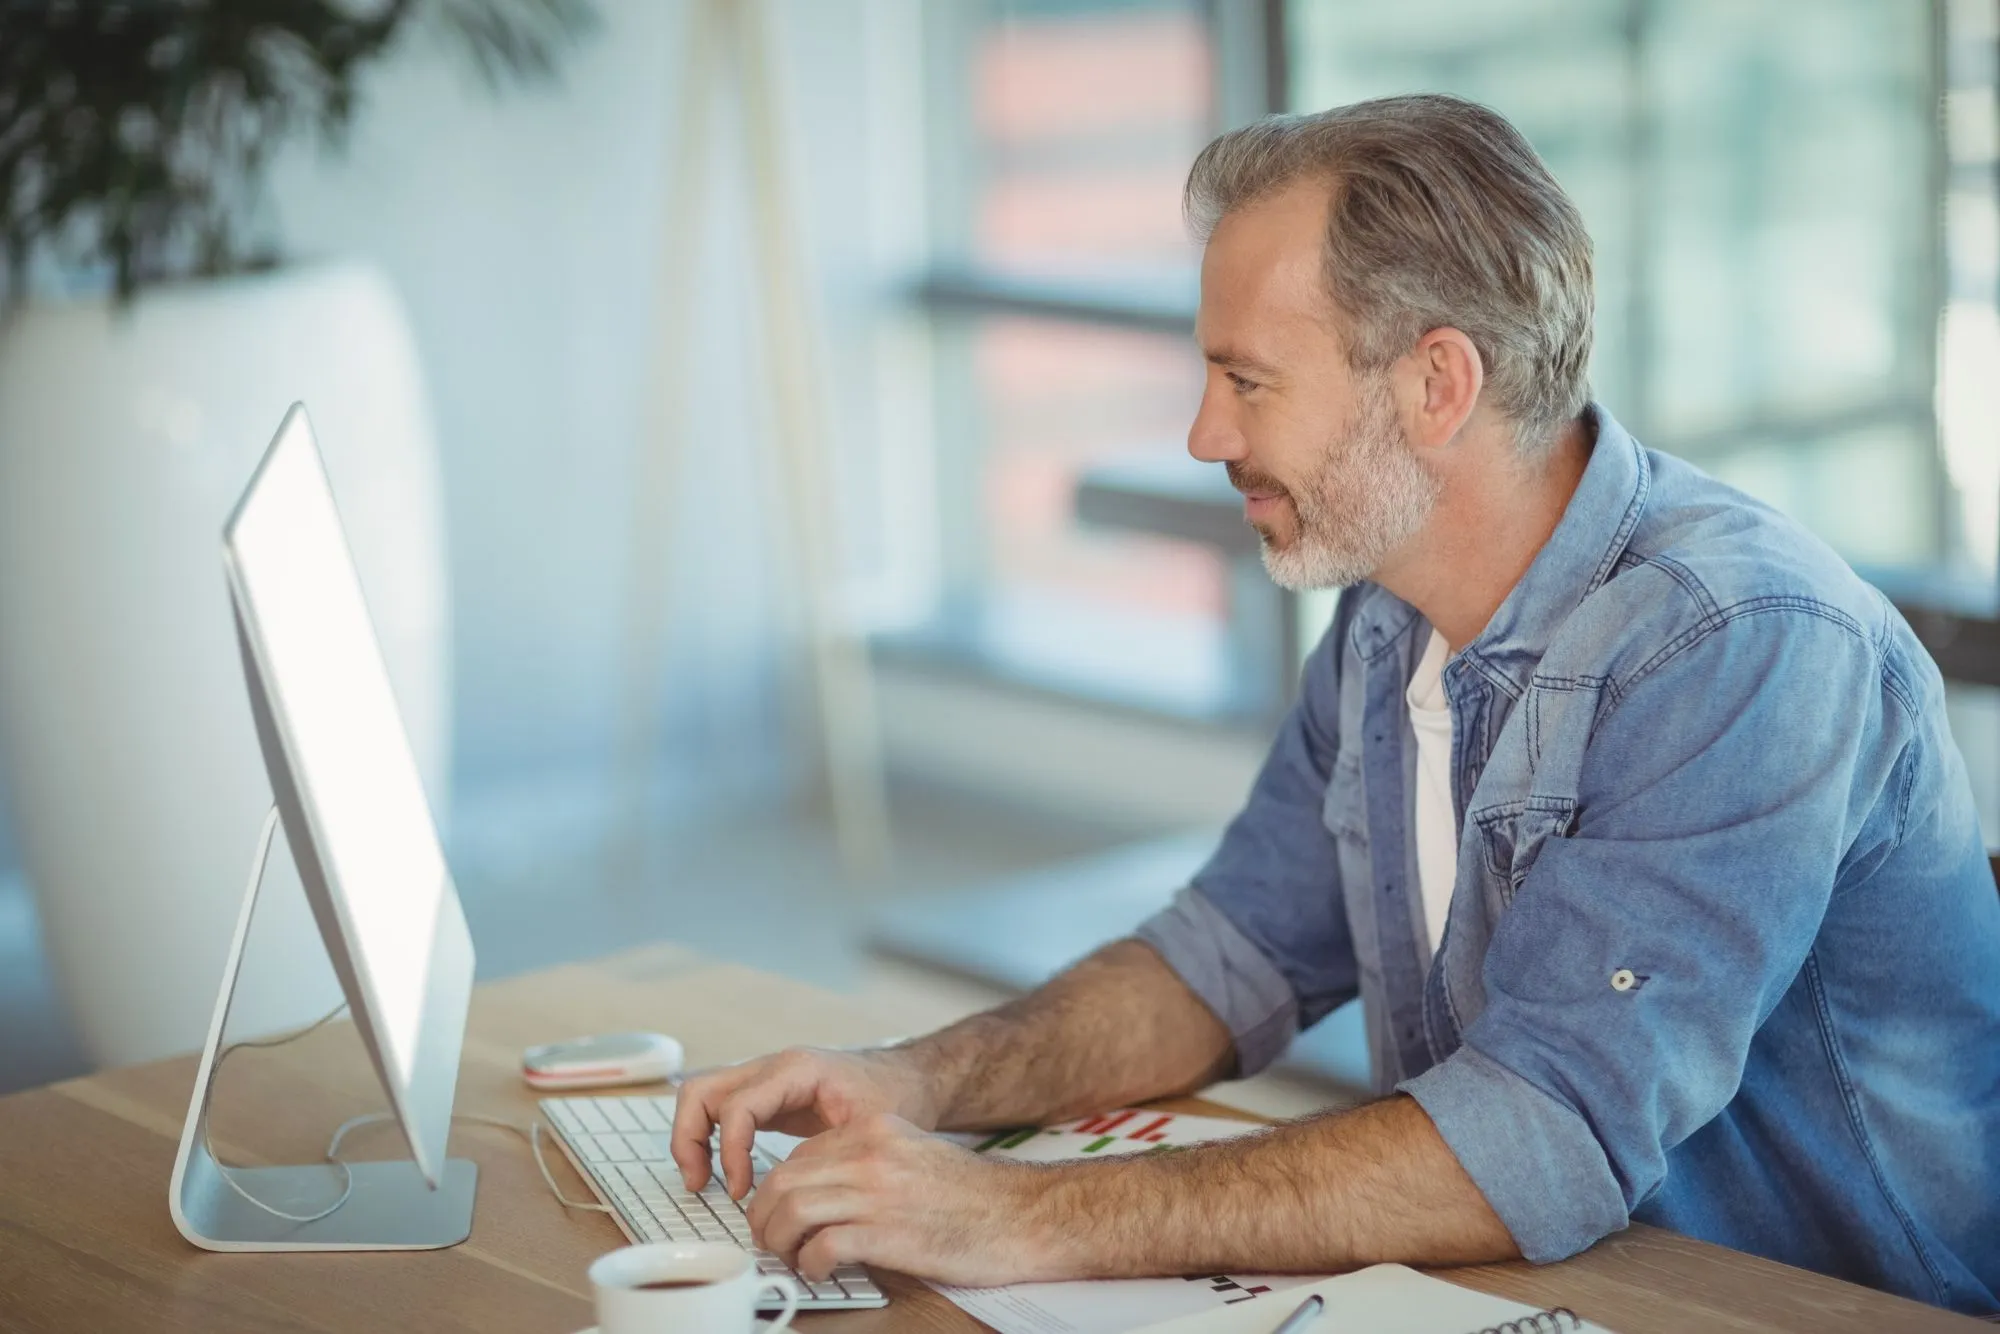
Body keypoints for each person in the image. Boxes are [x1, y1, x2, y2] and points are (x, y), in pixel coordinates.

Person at [670, 94, 2000, 1315]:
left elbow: (1538, 1136)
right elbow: (1222, 958)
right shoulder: (1393, 606)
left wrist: (1012, 1212)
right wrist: (915, 1081)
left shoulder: (1741, 645)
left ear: (1436, 384)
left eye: (1247, 379)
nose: (1203, 434)